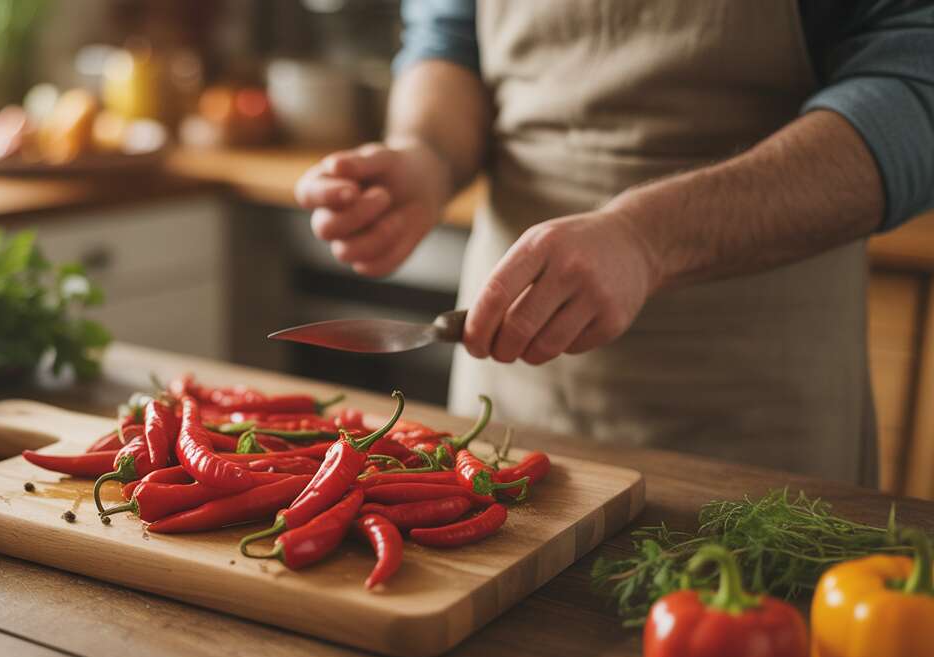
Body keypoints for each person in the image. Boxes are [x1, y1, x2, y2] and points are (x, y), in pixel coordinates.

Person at [295, 0, 934, 485]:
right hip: (509, 393)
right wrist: (426, 154)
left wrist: (650, 237)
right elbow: (449, 35)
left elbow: (917, 82)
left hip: (754, 413)